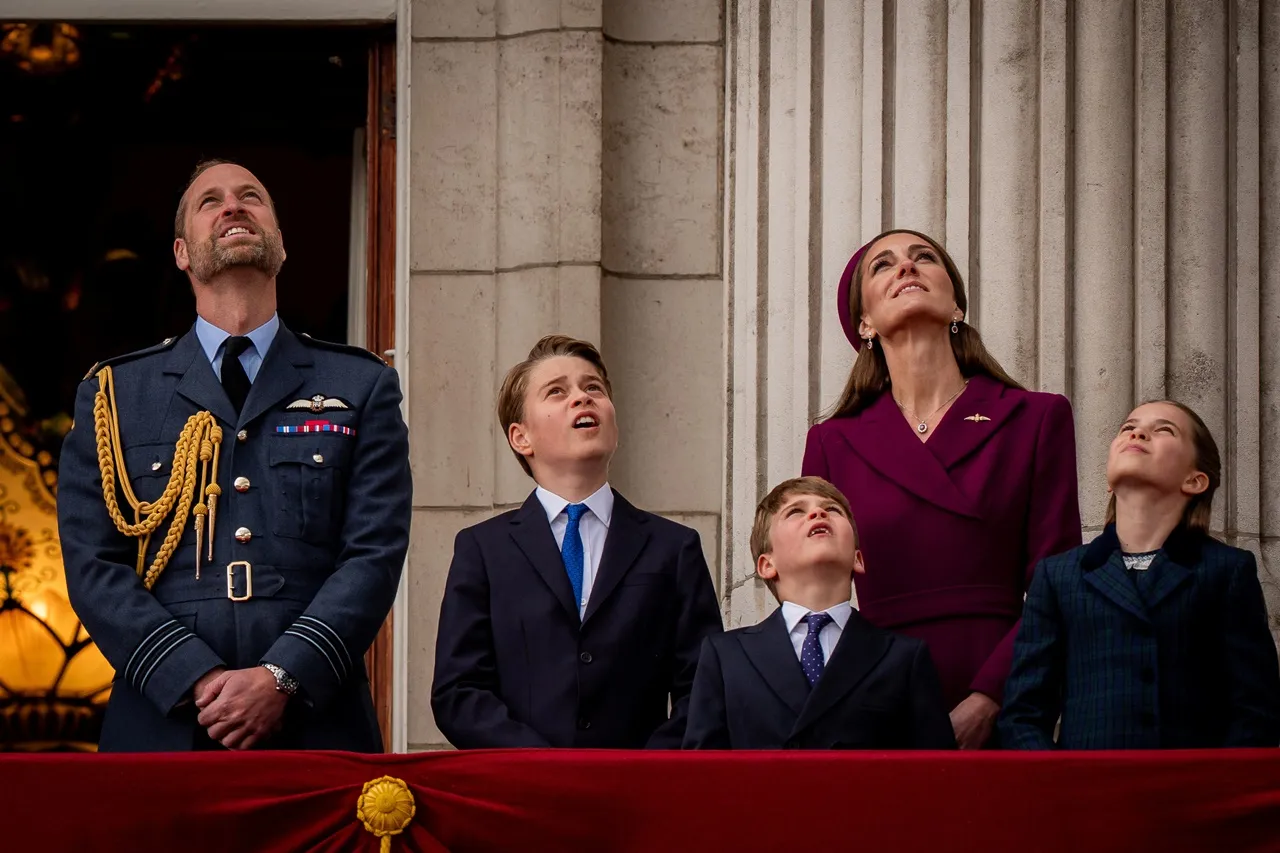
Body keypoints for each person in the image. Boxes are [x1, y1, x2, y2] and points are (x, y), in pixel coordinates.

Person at [58, 159, 412, 752]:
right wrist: (194, 677)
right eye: (210, 201)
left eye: (251, 196)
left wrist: (282, 676)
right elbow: (92, 564)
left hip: (316, 722)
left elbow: (373, 553)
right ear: (181, 252)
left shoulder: (360, 385)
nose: (233, 206)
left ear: (281, 244)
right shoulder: (116, 395)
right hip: (163, 724)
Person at [801, 229, 1082, 748]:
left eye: (924, 257)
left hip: (1006, 685)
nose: (906, 267)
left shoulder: (1036, 418)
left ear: (956, 305)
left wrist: (991, 697)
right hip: (879, 693)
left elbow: (1059, 583)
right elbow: (814, 594)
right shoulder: (831, 442)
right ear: (864, 322)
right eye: (883, 265)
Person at [431, 334, 723, 748]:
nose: (582, 398)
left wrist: (643, 770)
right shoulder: (483, 550)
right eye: (557, 391)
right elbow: (458, 692)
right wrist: (543, 767)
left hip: (640, 781)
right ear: (521, 437)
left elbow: (704, 688)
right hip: (523, 782)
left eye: (594, 388)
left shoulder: (673, 548)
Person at [1000, 401, 1280, 749]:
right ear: (1109, 480)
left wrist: (1215, 780)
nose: (1137, 433)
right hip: (1087, 781)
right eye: (1128, 427)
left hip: (1192, 781)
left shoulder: (1226, 570)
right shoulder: (1059, 575)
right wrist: (1060, 778)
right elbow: (1023, 713)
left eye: (1164, 430)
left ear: (1195, 480)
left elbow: (1256, 710)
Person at [683, 477, 955, 750]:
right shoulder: (725, 656)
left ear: (858, 559)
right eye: (795, 511)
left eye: (833, 509)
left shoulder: (903, 657)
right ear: (767, 564)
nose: (818, 513)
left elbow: (934, 769)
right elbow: (701, 768)